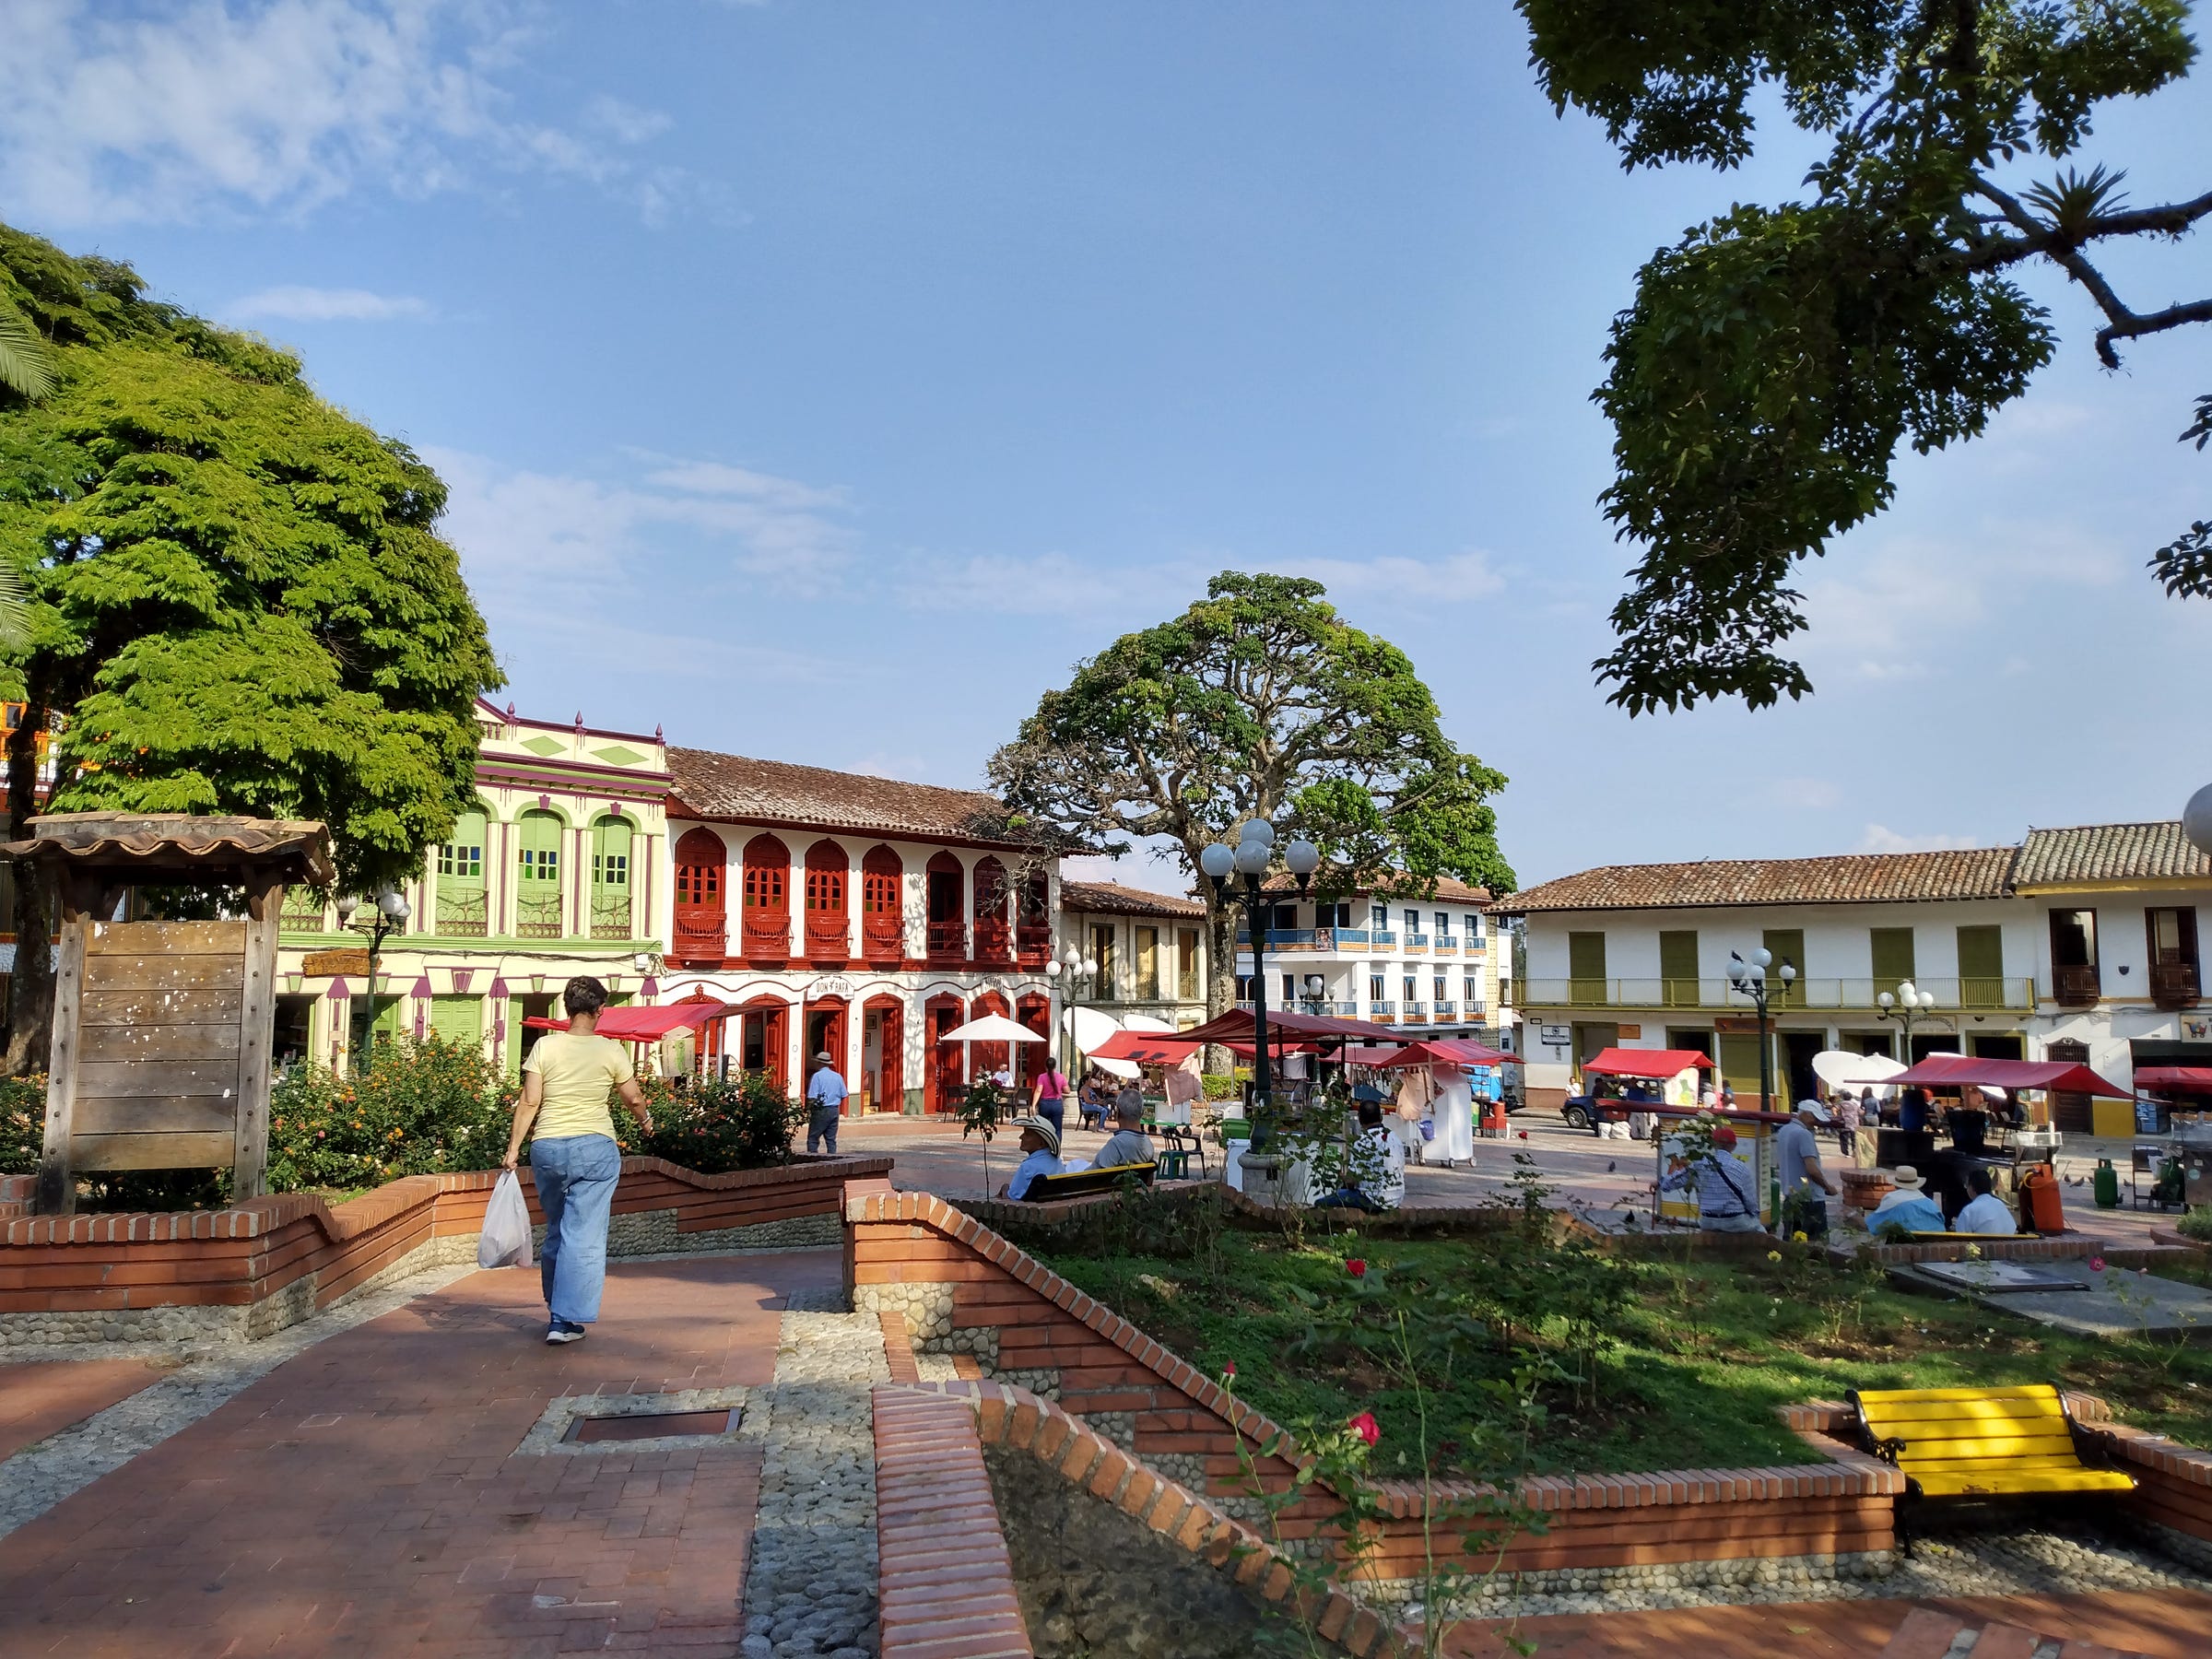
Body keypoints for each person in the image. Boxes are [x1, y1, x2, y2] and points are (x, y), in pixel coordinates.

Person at [502, 975, 654, 1345]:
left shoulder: (545, 1047)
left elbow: (530, 1101)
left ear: (567, 1008)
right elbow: (633, 1099)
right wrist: (647, 1123)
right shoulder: (610, 1050)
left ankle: (556, 1308)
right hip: (594, 1147)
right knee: (583, 1233)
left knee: (558, 1227)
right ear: (600, 1009)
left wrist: (512, 1150)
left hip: (548, 1147)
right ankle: (564, 1320)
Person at [1658, 1124, 1763, 1233]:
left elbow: (1669, 1184)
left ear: (1713, 1144)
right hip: (1735, 1221)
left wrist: (1660, 1182)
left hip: (1708, 1221)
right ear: (1734, 1146)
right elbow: (1751, 1203)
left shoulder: (1698, 1164)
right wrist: (1754, 1215)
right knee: (1760, 1231)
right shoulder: (1740, 1168)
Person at [1775, 1099, 1841, 1239]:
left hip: (1790, 1196)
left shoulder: (1784, 1131)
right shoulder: (1803, 1134)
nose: (1817, 1122)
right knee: (1815, 1245)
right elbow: (1812, 1169)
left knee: (1792, 1241)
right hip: (1809, 1199)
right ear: (1805, 1114)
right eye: (1814, 1117)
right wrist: (1827, 1187)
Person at [1868, 1166, 1947, 1234]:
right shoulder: (1929, 1202)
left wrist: (1856, 1215)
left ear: (1895, 1184)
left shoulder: (1892, 1198)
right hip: (1937, 1241)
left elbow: (1871, 1226)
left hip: (1907, 1244)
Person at [1001, 1115, 1063, 1200]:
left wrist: (1004, 1188)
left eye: (1027, 1134)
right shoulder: (1057, 1162)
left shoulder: (1027, 1167)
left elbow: (1011, 1199)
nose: (1021, 1137)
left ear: (1041, 1143)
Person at [1094, 1094, 1157, 1170]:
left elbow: (1102, 1175)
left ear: (1118, 1113)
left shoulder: (1115, 1144)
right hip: (1135, 1180)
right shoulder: (1148, 1143)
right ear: (1142, 1113)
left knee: (1077, 1163)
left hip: (1085, 1178)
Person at [805, 1051, 849, 1154]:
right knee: (831, 1140)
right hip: (834, 1110)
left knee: (813, 1139)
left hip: (821, 1110)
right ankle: (832, 1159)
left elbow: (812, 1097)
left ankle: (813, 1160)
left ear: (819, 1063)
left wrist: (809, 1110)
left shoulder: (817, 1076)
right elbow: (844, 1095)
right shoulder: (838, 1076)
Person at [1955, 1167, 2020, 1235]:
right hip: (2010, 1244)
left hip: (1983, 1245)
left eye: (1967, 1185)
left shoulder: (1969, 1211)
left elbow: (1960, 1240)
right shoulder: (2000, 1204)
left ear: (1971, 1187)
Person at [1030, 1056, 1072, 1141]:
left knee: (1044, 1127)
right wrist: (1059, 1090)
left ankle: (1045, 1145)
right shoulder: (1061, 1077)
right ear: (1055, 1066)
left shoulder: (1042, 1077)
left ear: (1045, 1066)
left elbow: (1038, 1090)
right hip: (1057, 1104)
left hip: (1044, 1104)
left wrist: (1034, 1105)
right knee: (1058, 1129)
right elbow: (1067, 1091)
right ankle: (1057, 1147)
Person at [1833, 1088, 1863, 1162]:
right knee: (1854, 1139)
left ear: (1843, 1097)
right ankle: (1854, 1151)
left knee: (1844, 1139)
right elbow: (1861, 1112)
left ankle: (1846, 1153)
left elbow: (1834, 1109)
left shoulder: (1840, 1104)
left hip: (1845, 1123)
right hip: (1854, 1123)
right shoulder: (1855, 1104)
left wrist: (1836, 1116)